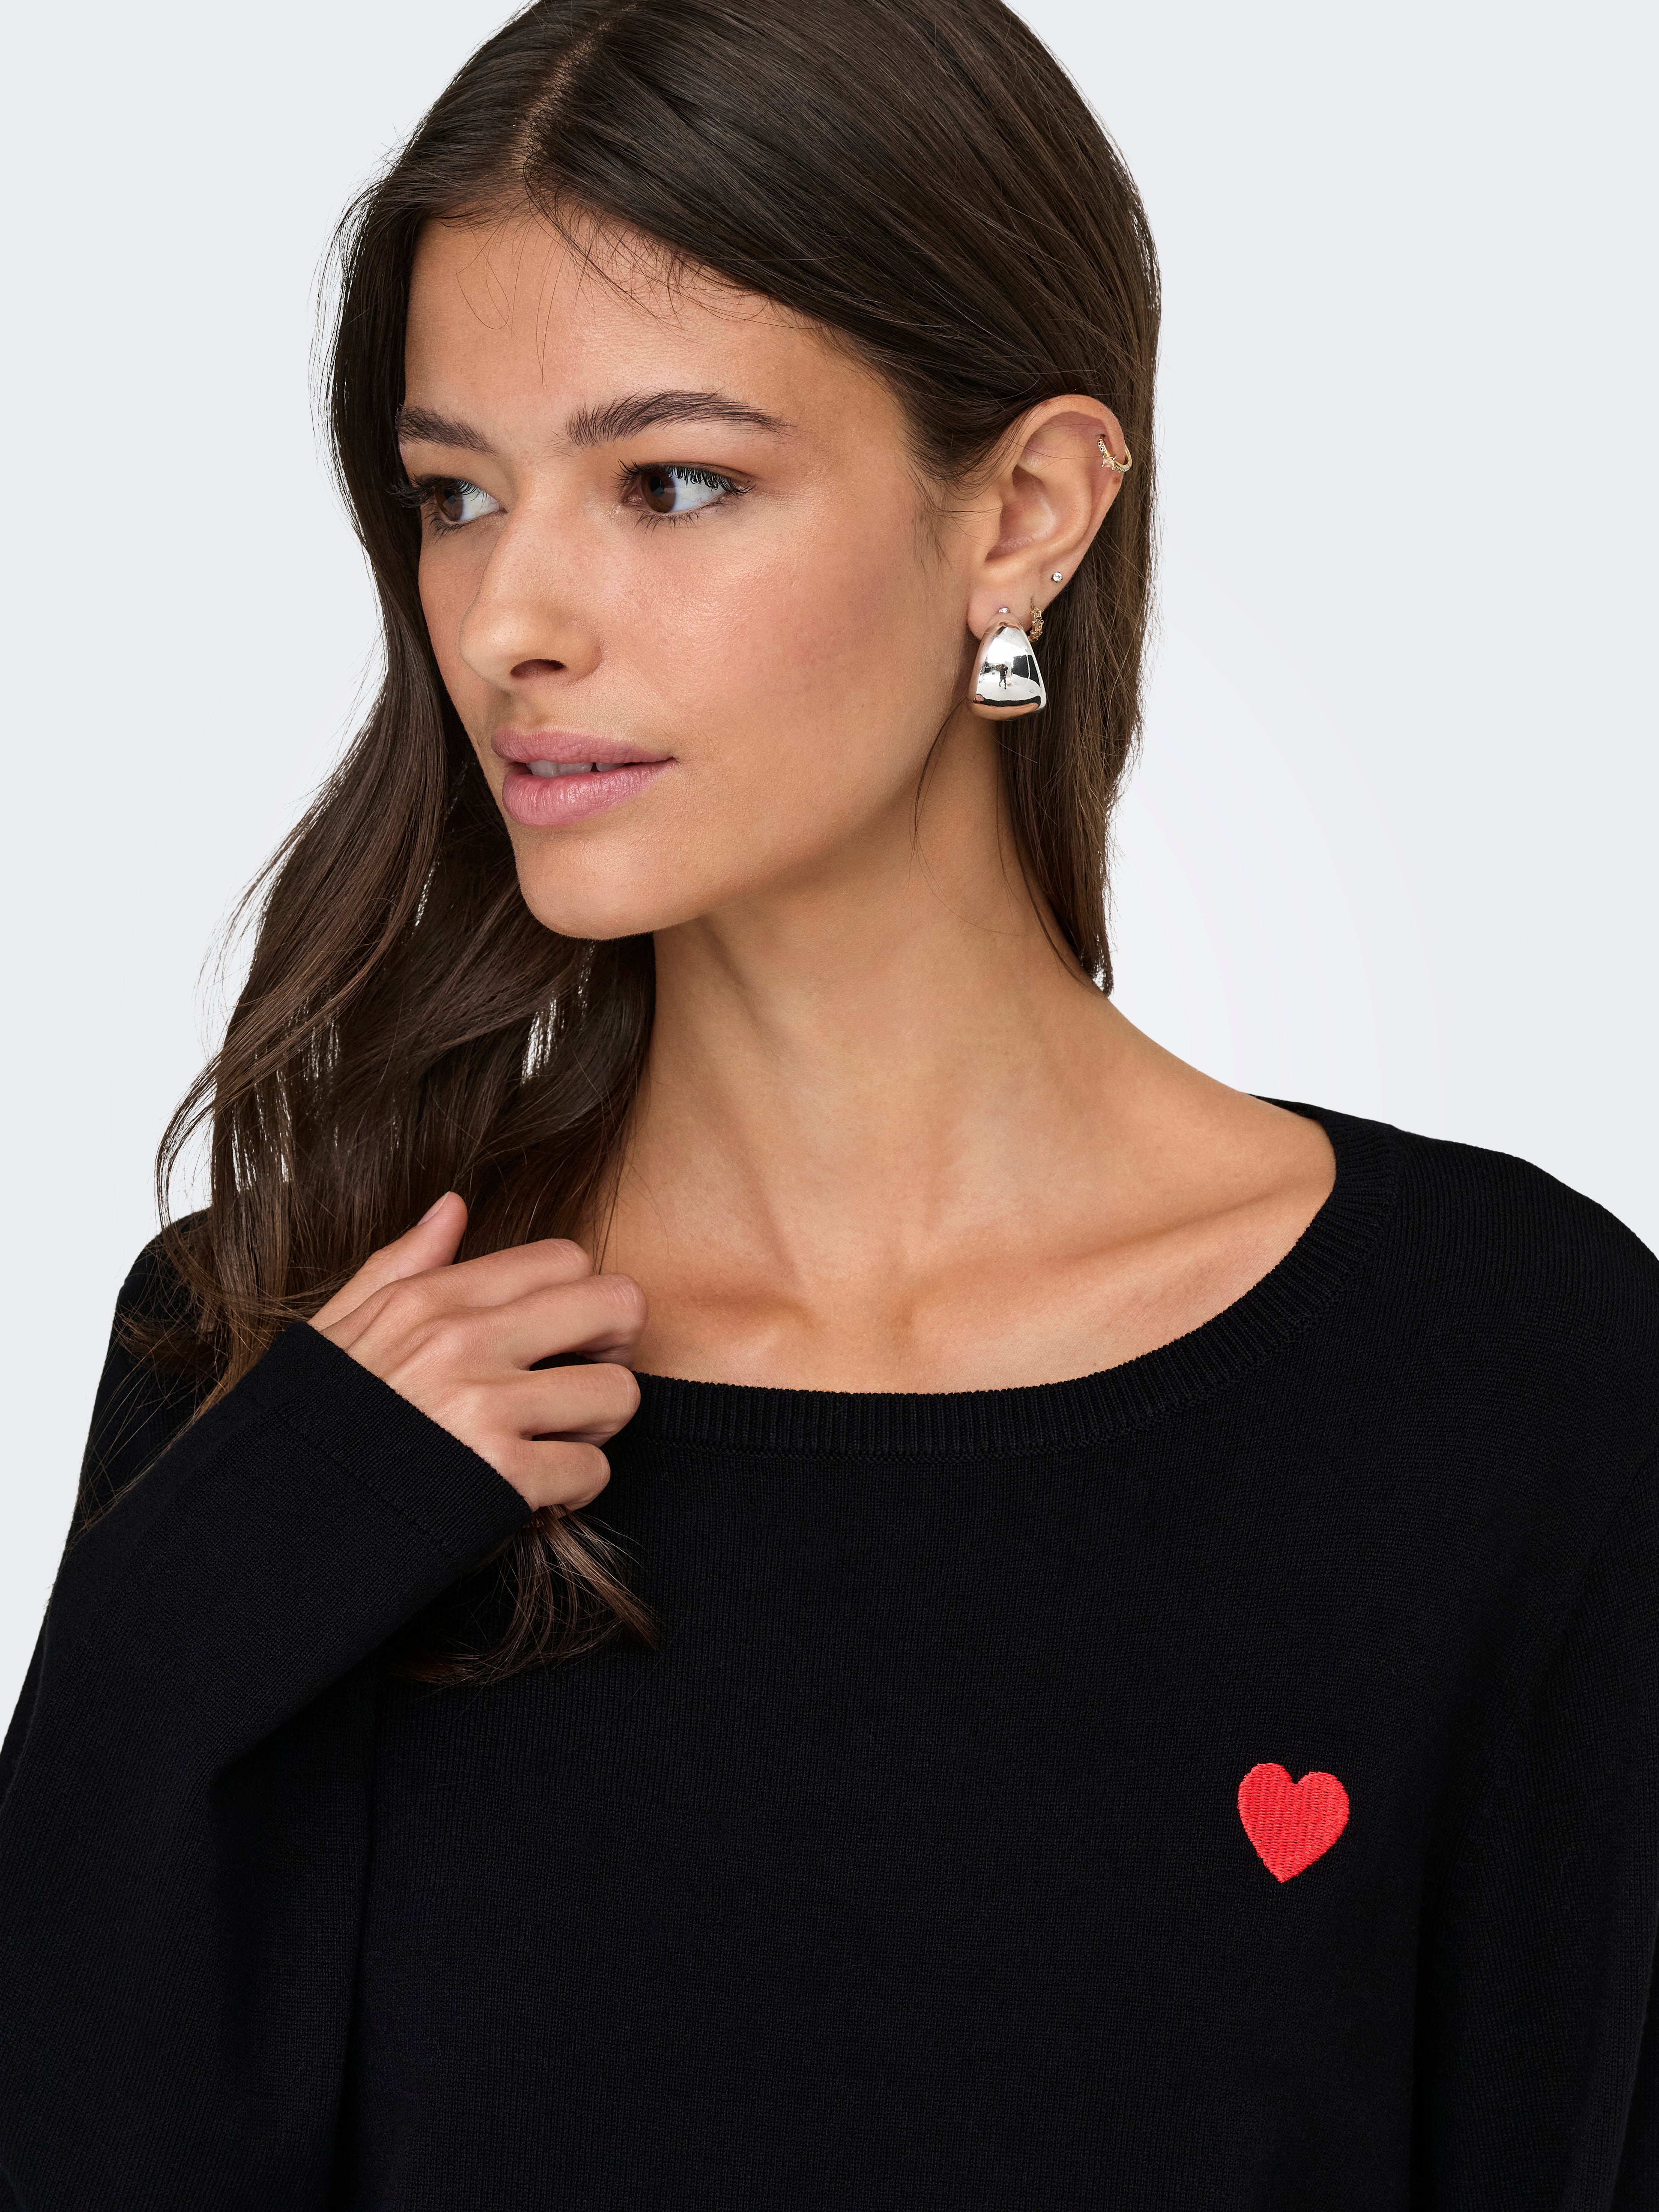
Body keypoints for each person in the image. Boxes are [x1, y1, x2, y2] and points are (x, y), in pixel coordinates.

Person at [2, 0, 1656, 2204]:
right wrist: (184, 1633)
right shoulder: (298, 1352)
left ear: (1025, 514)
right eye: (454, 494)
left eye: (671, 482)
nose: (506, 619)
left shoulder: (1507, 1372)